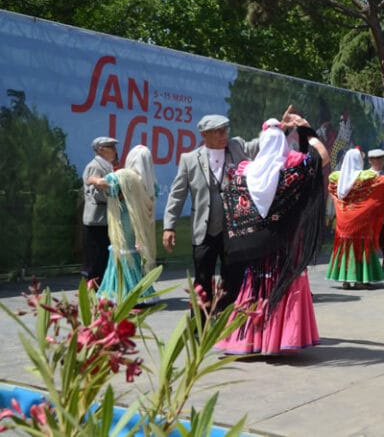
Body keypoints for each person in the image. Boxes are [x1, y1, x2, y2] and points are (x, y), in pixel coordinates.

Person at [215, 118, 330, 355]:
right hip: (285, 245)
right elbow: (323, 158)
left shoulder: (244, 171)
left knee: (254, 287)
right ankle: (279, 339)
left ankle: (249, 340)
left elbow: (233, 204)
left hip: (255, 247)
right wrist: (308, 131)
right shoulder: (292, 169)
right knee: (283, 284)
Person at [163, 108, 295, 313]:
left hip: (234, 231)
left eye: (225, 130)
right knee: (202, 279)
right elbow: (177, 194)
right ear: (204, 135)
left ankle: (225, 323)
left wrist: (279, 128)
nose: (224, 135)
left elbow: (263, 144)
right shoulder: (189, 159)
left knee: (233, 277)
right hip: (204, 230)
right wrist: (169, 227)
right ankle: (199, 326)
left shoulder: (237, 146)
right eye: (218, 132)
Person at [326, 148, 384, 289]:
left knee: (346, 249)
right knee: (361, 248)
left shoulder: (337, 179)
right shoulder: (365, 178)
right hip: (361, 222)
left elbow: (334, 191)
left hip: (343, 222)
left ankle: (346, 281)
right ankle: (360, 280)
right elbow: (381, 182)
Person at [88, 145, 158, 304]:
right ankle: (140, 292)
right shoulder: (150, 181)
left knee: (122, 254)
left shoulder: (125, 176)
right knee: (134, 254)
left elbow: (107, 186)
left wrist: (93, 179)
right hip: (140, 225)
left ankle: (120, 293)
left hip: (124, 222)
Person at [81, 136, 119, 281]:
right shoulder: (95, 166)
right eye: (112, 147)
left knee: (104, 259)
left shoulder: (108, 165)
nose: (115, 151)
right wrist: (116, 194)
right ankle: (90, 296)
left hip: (106, 220)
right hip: (97, 221)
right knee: (95, 261)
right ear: (101, 149)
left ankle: (101, 295)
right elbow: (96, 194)